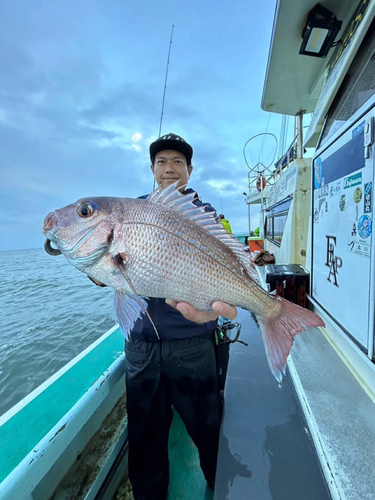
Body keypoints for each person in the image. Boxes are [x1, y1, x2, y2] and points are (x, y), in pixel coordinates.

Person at [92, 133, 237, 500]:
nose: (169, 168)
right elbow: (109, 272)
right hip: (141, 349)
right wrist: (97, 268)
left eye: (177, 162)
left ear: (190, 170)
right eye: (161, 162)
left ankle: (220, 486)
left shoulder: (209, 218)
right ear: (152, 169)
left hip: (192, 345)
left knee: (208, 428)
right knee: (145, 436)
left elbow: (226, 272)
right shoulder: (131, 212)